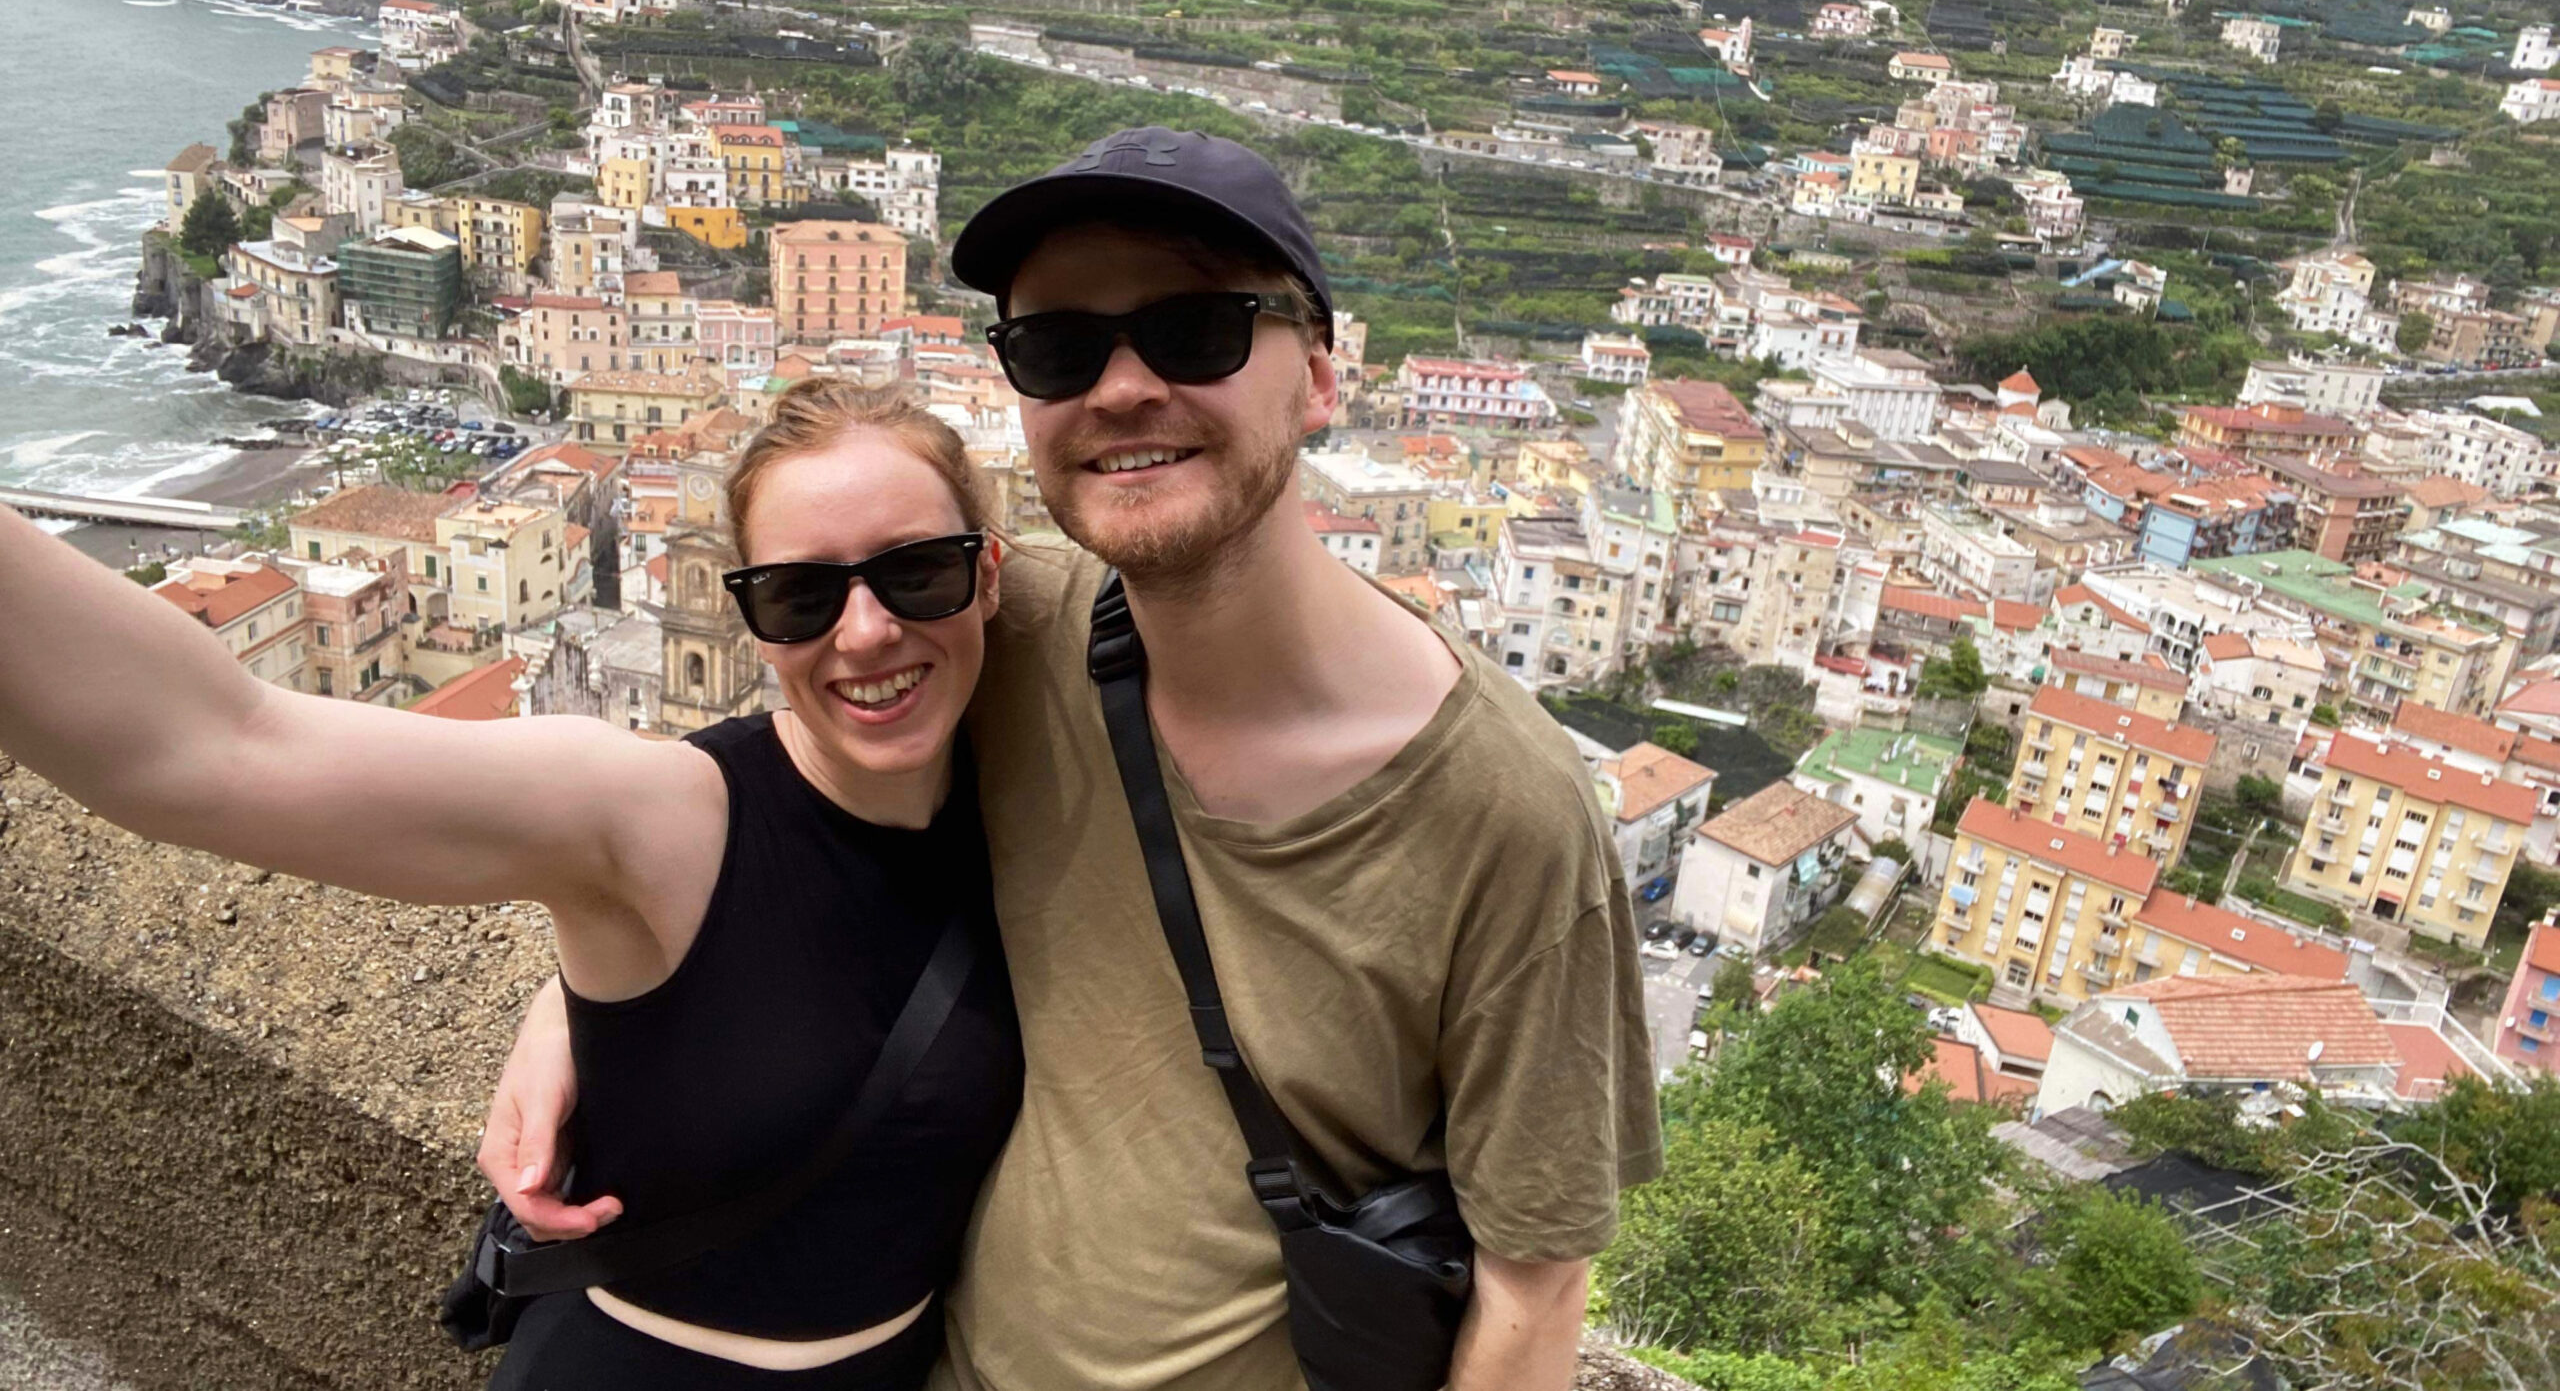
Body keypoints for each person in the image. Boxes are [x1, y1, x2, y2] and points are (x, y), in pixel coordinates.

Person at [484, 127, 1662, 1391]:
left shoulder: (1508, 813)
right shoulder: (994, 619)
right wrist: (591, 1002)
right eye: (1058, 347)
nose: (1118, 388)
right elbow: (786, 773)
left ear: (1321, 375)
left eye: (1195, 330)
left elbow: (1532, 1300)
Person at [0, 383, 1024, 1391]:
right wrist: (589, 994)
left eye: (918, 571)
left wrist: (563, 1011)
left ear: (989, 573)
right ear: (752, 619)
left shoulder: (1038, 790)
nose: (865, 631)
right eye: (800, 595)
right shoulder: (660, 814)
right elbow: (211, 745)